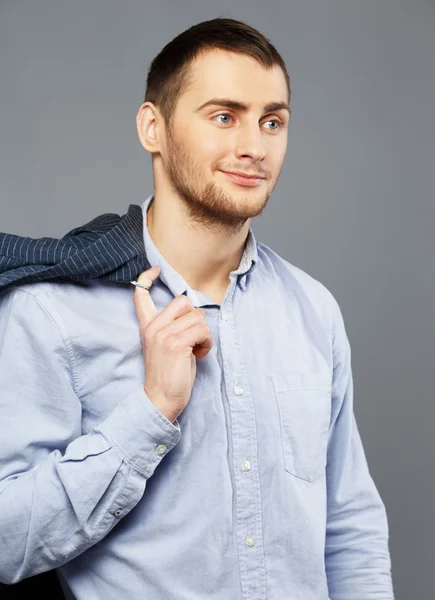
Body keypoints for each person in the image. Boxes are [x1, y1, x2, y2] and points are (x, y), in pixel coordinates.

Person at [0, 17, 395, 600]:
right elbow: (9, 543)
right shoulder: (52, 312)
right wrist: (151, 411)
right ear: (152, 127)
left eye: (272, 121)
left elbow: (349, 523)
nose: (254, 146)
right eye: (224, 116)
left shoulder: (313, 310)